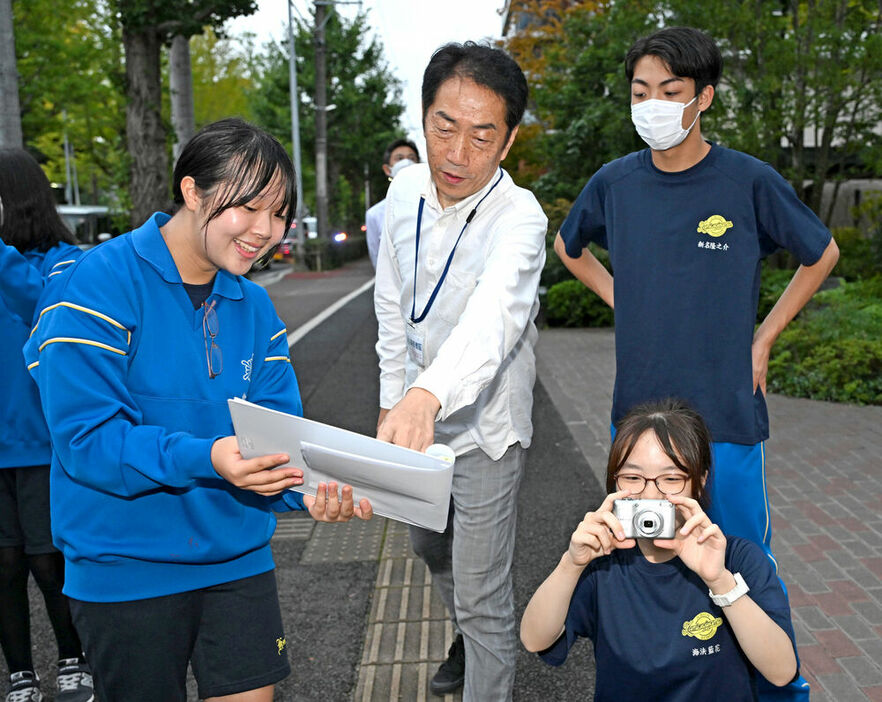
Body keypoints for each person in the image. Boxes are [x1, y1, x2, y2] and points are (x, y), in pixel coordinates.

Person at [23, 118, 372, 702]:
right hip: (122, 568)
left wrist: (309, 489)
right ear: (193, 191)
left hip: (237, 560)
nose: (266, 231)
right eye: (249, 208)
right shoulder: (96, 284)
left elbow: (275, 439)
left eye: (279, 212)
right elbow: (87, 441)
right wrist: (207, 457)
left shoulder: (256, 309)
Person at [553, 27, 837, 700]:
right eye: (640, 92)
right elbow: (570, 246)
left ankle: (779, 689)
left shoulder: (746, 180)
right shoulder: (615, 183)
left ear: (704, 97)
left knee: (739, 564)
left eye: (670, 92)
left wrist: (764, 336)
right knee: (639, 563)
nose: (652, 104)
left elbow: (819, 252)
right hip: (642, 431)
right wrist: (625, 296)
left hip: (728, 417)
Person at [374, 42, 547, 700]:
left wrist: (426, 396)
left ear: (507, 143)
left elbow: (495, 321)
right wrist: (397, 401)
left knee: (482, 595)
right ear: (423, 118)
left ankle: (482, 649)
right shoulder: (403, 190)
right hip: (417, 420)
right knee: (425, 549)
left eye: (482, 136)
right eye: (444, 127)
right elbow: (392, 305)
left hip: (485, 429)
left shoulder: (520, 217)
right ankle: (468, 635)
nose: (456, 154)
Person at [521, 399, 801, 702]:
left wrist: (720, 581)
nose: (651, 494)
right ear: (614, 480)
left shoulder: (736, 559)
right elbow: (535, 639)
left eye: (671, 479)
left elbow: (781, 671)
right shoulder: (602, 563)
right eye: (632, 477)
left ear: (700, 480)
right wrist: (570, 564)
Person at [0, 149, 93, 702]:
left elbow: (42, 305)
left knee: (46, 556)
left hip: (39, 440)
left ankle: (73, 653)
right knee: (4, 562)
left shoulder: (63, 261)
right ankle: (18, 671)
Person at [366, 138, 420, 268]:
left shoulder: (436, 205)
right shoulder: (375, 214)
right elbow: (376, 258)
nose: (406, 162)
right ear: (387, 169)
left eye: (411, 158)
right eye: (399, 158)